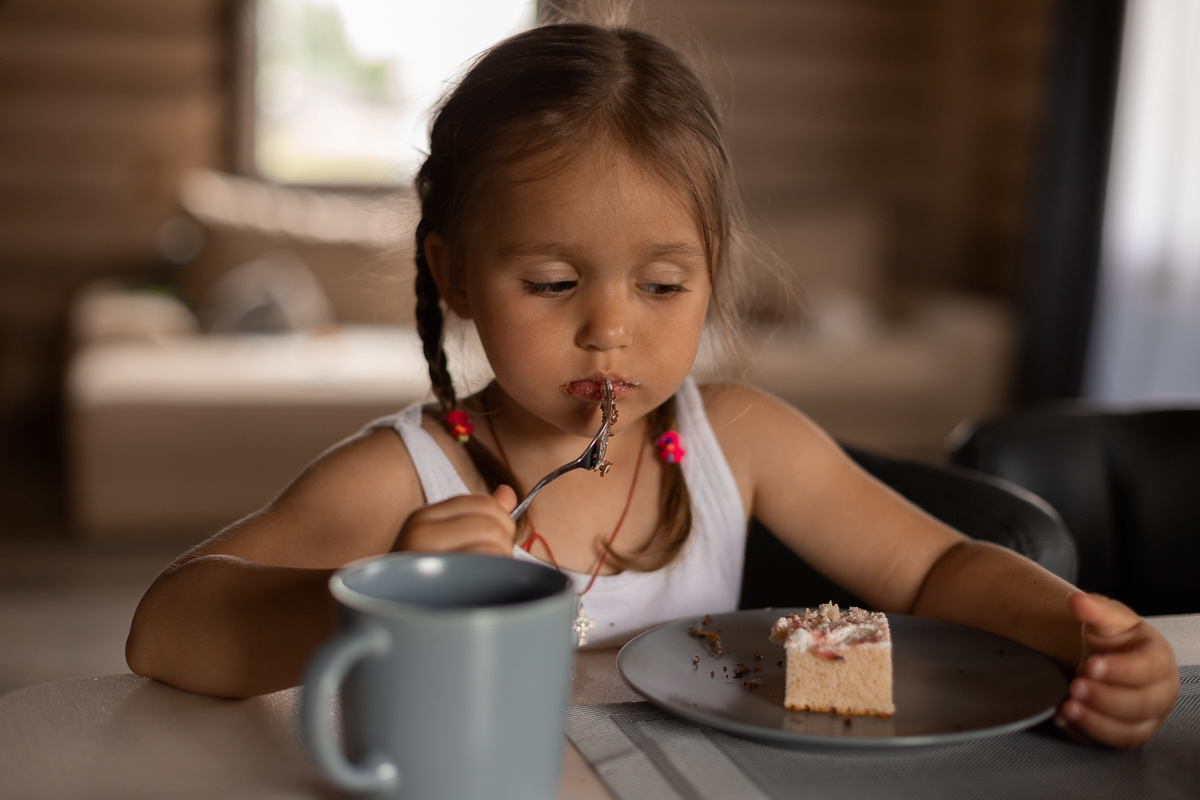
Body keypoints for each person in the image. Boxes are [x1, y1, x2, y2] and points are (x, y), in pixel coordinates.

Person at [126, 21, 1178, 749]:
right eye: (551, 281)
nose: (611, 330)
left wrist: (1083, 632)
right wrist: (375, 601)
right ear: (452, 274)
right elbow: (164, 628)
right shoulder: (409, 475)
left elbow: (942, 567)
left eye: (663, 283)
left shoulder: (743, 439)